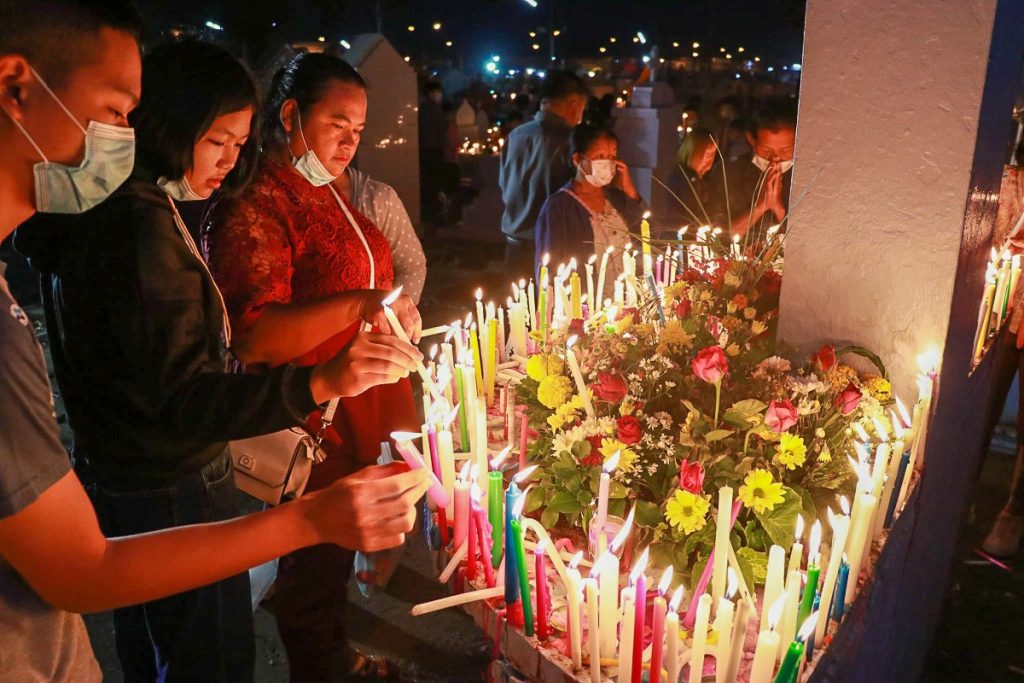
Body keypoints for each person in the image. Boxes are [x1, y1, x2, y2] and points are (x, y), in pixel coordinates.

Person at [0, 4, 429, 682]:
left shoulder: (110, 216)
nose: (230, 164)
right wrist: (317, 386)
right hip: (167, 482)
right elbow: (185, 397)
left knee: (163, 648)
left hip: (126, 472)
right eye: (116, 110)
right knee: (209, 655)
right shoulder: (136, 228)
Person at [206, 52, 421, 682]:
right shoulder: (257, 203)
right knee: (310, 564)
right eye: (338, 124)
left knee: (327, 563)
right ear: (291, 114)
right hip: (311, 415)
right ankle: (322, 668)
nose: (351, 142)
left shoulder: (327, 192)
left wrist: (391, 310)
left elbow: (364, 279)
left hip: (356, 406)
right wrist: (359, 306)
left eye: (359, 129)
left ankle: (335, 656)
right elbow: (254, 335)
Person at [534, 124, 645, 302]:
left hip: (628, 304)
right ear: (578, 159)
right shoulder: (558, 207)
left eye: (612, 156)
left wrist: (631, 192)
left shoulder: (617, 199)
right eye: (600, 156)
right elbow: (550, 268)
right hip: (586, 308)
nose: (608, 163)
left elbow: (650, 235)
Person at [500, 69, 590, 280]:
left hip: (513, 246)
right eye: (582, 110)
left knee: (517, 310)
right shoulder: (570, 141)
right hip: (551, 247)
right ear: (575, 104)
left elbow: (504, 185)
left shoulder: (516, 135)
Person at [707, 98, 796, 238]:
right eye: (767, 150)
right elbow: (717, 237)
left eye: (785, 150)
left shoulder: (805, 177)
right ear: (751, 139)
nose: (775, 158)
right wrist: (759, 207)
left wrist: (779, 209)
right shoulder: (727, 173)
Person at [343, 164, 427, 304]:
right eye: (332, 139)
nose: (348, 144)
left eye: (357, 139)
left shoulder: (376, 200)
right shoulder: (295, 202)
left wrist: (395, 315)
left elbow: (411, 266)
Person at [669, 127, 717, 227]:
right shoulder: (686, 177)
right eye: (706, 154)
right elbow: (692, 215)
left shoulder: (700, 179)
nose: (709, 160)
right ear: (693, 150)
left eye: (712, 154)